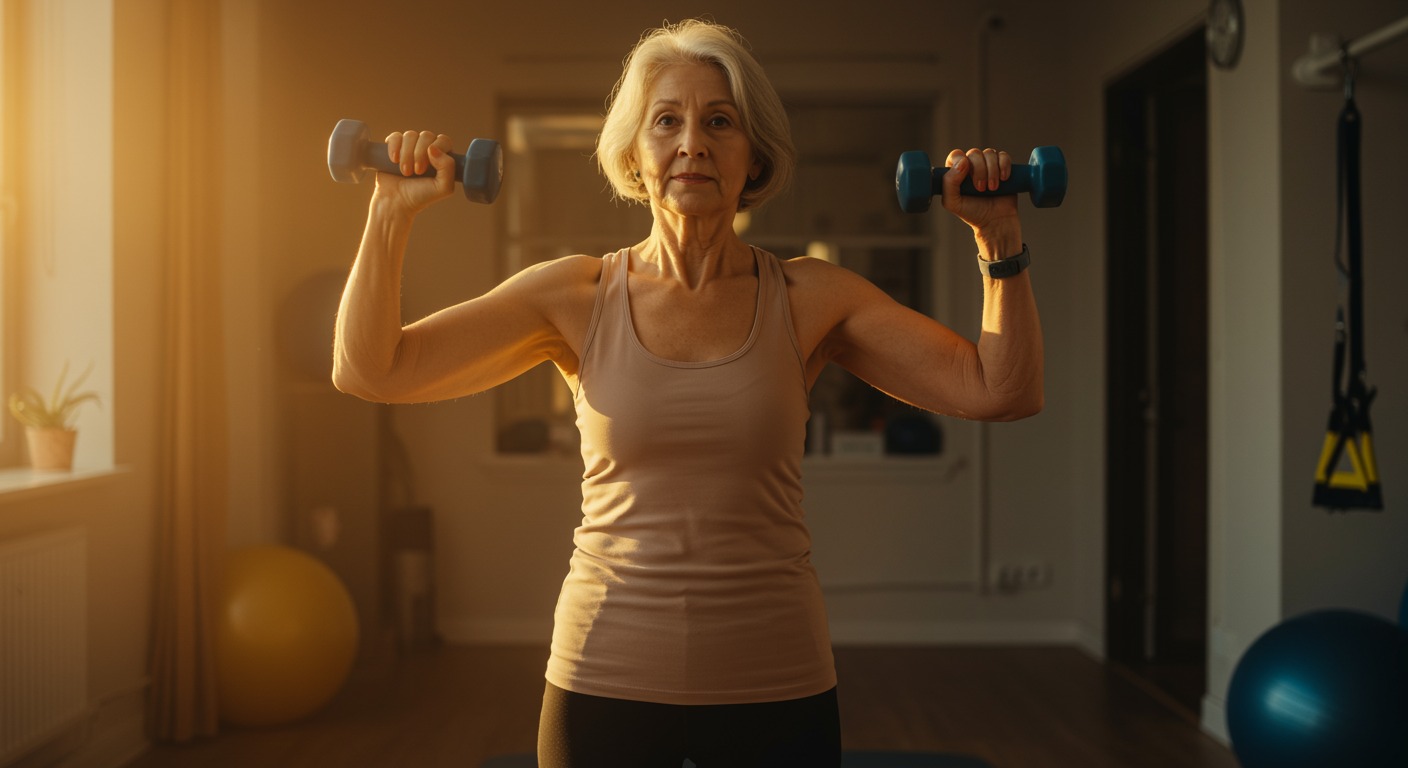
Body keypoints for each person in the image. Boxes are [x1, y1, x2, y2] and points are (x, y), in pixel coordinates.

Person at [333, 18, 1043, 768]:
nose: (692, 142)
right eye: (667, 120)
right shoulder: (575, 294)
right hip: (603, 677)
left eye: (720, 121)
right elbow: (371, 369)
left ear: (754, 155)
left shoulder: (809, 297)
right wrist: (388, 213)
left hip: (777, 680)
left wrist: (997, 239)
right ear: (635, 153)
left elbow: (1002, 389)